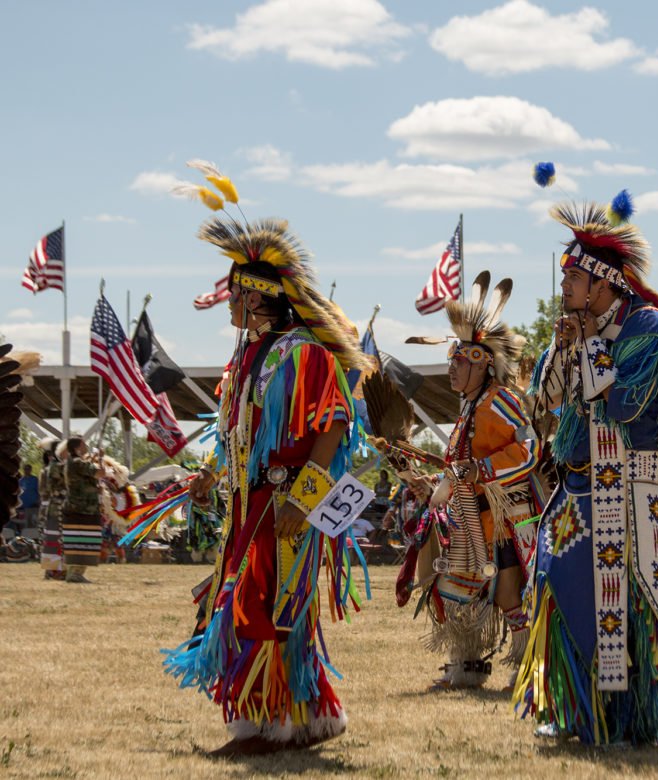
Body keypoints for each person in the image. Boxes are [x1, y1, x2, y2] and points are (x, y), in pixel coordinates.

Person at [169, 164, 374, 756]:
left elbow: (333, 426)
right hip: (249, 505)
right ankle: (305, 718)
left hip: (283, 504)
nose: (227, 298)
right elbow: (240, 437)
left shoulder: (300, 355)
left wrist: (304, 501)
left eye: (234, 288)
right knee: (260, 605)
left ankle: (266, 726)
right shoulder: (248, 362)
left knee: (264, 607)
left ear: (259, 293)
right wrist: (214, 477)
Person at [514, 198, 658, 747]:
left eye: (573, 277)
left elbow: (623, 403)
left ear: (602, 282)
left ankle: (625, 719)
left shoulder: (650, 329)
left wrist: (589, 346)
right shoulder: (576, 334)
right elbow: (543, 405)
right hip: (578, 489)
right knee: (559, 588)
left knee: (619, 605)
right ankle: (578, 710)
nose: (565, 288)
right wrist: (562, 348)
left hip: (625, 493)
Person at [395, 271, 542, 689]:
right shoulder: (468, 410)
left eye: (458, 362)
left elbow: (529, 449)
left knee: (510, 594)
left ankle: (529, 668)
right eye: (451, 361)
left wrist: (484, 471)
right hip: (467, 518)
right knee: (456, 589)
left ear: (481, 364)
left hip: (507, 516)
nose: (451, 369)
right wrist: (431, 484)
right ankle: (465, 667)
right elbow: (456, 465)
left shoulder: (501, 401)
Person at [60, 438, 105, 584]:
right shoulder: (78, 462)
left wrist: (94, 459)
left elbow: (85, 478)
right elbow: (100, 473)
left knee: (76, 541)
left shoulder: (72, 462)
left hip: (75, 507)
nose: (86, 446)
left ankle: (73, 572)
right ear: (78, 447)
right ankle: (76, 573)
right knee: (85, 540)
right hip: (84, 508)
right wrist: (101, 459)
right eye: (84, 444)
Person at [39, 440, 66, 580]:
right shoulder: (50, 469)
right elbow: (45, 490)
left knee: (55, 539)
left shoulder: (51, 468)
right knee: (53, 539)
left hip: (51, 506)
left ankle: (56, 570)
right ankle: (53, 570)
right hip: (52, 507)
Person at [14, 463, 39, 538]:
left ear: (31, 470)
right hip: (21, 507)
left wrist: (38, 502)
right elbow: (17, 493)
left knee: (32, 526)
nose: (26, 470)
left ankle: (32, 542)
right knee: (22, 527)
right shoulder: (20, 480)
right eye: (25, 469)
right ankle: (23, 543)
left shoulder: (35, 479)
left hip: (32, 507)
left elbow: (39, 492)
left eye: (28, 469)